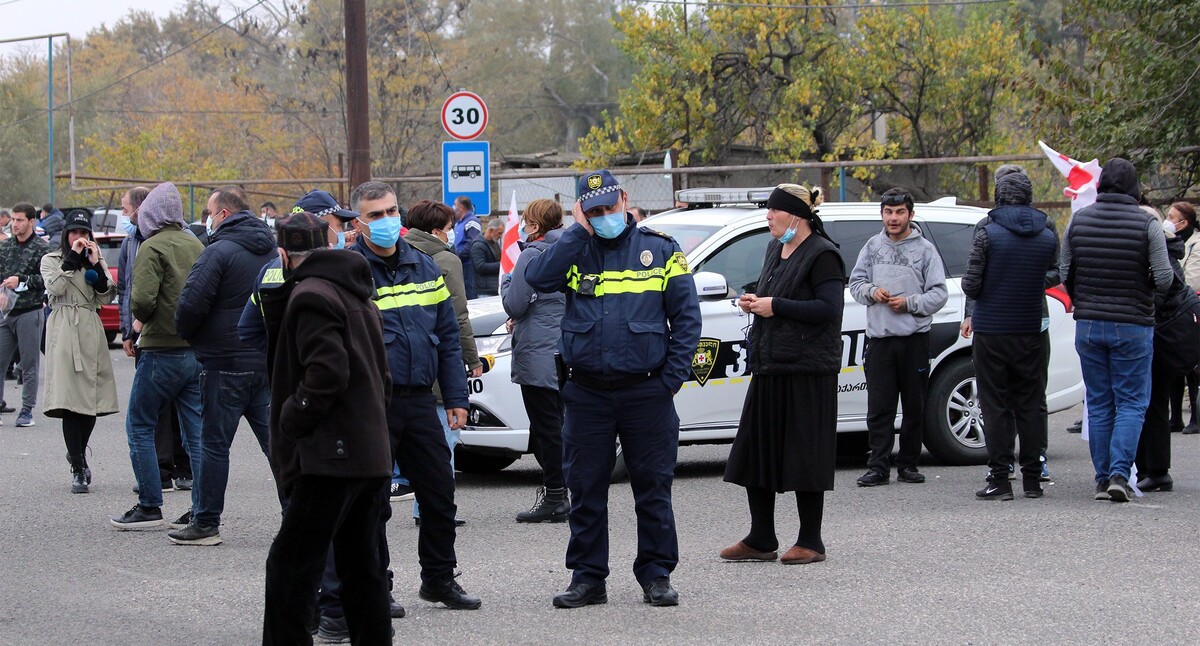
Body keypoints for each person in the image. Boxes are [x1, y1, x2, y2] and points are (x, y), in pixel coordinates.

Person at [524, 169, 701, 609]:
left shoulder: (661, 250)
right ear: (581, 211)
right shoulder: (572, 251)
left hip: (647, 392)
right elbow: (538, 278)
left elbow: (687, 319)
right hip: (587, 393)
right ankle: (587, 578)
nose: (605, 216)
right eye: (594, 211)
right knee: (585, 489)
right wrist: (575, 234)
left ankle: (656, 574)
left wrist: (670, 381)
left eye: (610, 207)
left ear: (624, 199)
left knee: (653, 488)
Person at [260, 212, 392, 645]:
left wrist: (290, 418)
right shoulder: (357, 293)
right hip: (367, 452)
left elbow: (326, 373)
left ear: (284, 255)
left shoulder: (311, 295)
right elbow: (380, 377)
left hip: (329, 457)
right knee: (361, 569)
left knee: (291, 568)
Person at [348, 181, 481, 611]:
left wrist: (457, 399)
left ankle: (439, 578)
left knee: (439, 494)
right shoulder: (349, 271)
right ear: (358, 222)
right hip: (372, 406)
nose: (386, 222)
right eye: (375, 215)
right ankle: (375, 586)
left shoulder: (424, 266)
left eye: (391, 212)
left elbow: (446, 336)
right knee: (372, 505)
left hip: (423, 401)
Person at [720, 184, 844, 566]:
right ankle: (761, 537)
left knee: (805, 454)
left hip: (808, 369)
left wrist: (777, 306)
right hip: (770, 363)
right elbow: (772, 292)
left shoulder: (824, 254)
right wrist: (754, 300)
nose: (768, 217)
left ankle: (811, 540)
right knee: (757, 450)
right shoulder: (775, 247)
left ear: (796, 215)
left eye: (774, 210)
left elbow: (828, 309)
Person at [167, 186, 277, 546]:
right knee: (277, 444)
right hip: (266, 363)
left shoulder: (217, 252)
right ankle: (297, 512)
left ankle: (205, 522)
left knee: (213, 445)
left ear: (224, 215)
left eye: (209, 214)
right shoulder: (275, 253)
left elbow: (191, 303)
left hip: (223, 363)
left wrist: (190, 336)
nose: (207, 221)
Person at [1060, 158, 1173, 502]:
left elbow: (1065, 271)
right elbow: (1165, 276)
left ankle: (1100, 477)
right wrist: (1145, 291)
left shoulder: (1079, 221)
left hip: (1090, 324)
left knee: (1099, 402)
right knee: (1131, 402)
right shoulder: (1146, 224)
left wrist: (1085, 297)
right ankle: (1119, 476)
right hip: (1134, 324)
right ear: (1134, 187)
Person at [110, 182, 206, 529]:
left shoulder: (151, 247)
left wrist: (138, 325)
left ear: (150, 213)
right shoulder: (195, 243)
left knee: (140, 423)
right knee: (195, 432)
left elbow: (142, 301)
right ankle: (201, 507)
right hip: (194, 350)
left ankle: (150, 504)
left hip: (159, 348)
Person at [961, 167, 1059, 500]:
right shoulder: (1046, 232)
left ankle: (1000, 479)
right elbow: (1055, 273)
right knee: (1030, 403)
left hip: (991, 329)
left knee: (995, 404)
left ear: (1000, 194)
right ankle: (1033, 479)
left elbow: (971, 283)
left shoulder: (987, 232)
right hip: (1031, 326)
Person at [849, 188, 947, 487]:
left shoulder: (926, 250)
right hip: (879, 340)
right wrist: (871, 292)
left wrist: (909, 303)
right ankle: (878, 466)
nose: (893, 218)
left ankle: (908, 464)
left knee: (914, 406)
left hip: (914, 339)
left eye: (900, 212)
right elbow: (855, 284)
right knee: (880, 407)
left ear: (910, 214)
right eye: (888, 212)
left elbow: (939, 294)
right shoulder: (871, 246)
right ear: (882, 214)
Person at [402, 199, 483, 522]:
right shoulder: (446, 260)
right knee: (443, 439)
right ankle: (434, 508)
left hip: (401, 361)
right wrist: (471, 357)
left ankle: (421, 504)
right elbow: (457, 316)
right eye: (450, 229)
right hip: (437, 360)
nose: (452, 234)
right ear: (437, 231)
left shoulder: (398, 253)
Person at [40, 211, 118, 494]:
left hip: (89, 329)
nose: (79, 238)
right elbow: (56, 288)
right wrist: (72, 259)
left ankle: (78, 453)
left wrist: (95, 264)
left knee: (90, 398)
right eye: (74, 232)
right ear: (66, 235)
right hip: (63, 329)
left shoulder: (95, 260)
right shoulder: (51, 261)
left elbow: (107, 295)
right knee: (70, 400)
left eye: (84, 233)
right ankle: (78, 467)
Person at [501, 198, 568, 523]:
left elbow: (515, 305)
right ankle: (570, 492)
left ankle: (555, 495)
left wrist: (506, 284)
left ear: (535, 225)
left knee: (546, 429)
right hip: (569, 351)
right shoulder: (574, 249)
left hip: (539, 353)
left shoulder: (532, 254)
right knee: (565, 425)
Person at [1134, 210, 1200, 493]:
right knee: (1152, 401)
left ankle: (1156, 470)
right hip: (1168, 331)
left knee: (1153, 401)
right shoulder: (1165, 250)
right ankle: (1151, 468)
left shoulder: (1162, 256)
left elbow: (1158, 296)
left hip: (1165, 334)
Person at [0, 203, 51, 427]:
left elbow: (46, 280)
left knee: (30, 364)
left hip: (30, 311)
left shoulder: (42, 249)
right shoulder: (5, 247)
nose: (15, 224)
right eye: (13, 219)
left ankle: (27, 411)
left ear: (31, 221)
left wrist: (21, 281)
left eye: (19, 220)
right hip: (5, 313)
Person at [1167, 201, 1200, 435]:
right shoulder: (1170, 243)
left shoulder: (1195, 245)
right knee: (1173, 363)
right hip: (1174, 308)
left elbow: (1193, 280)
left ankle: (1195, 417)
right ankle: (1175, 416)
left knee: (1193, 365)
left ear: (1184, 222)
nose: (1167, 220)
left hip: (1189, 307)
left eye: (1172, 216)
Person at [452, 196, 482, 299]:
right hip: (460, 265)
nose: (453, 207)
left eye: (455, 205)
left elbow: (472, 243)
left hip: (468, 266)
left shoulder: (472, 222)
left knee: (469, 294)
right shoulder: (458, 223)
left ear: (461, 207)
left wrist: (458, 257)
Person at [470, 218, 503, 297]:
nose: (500, 236)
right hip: (485, 290)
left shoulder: (494, 243)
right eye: (499, 233)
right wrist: (501, 265)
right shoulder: (478, 245)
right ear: (491, 230)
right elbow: (480, 267)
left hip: (494, 287)